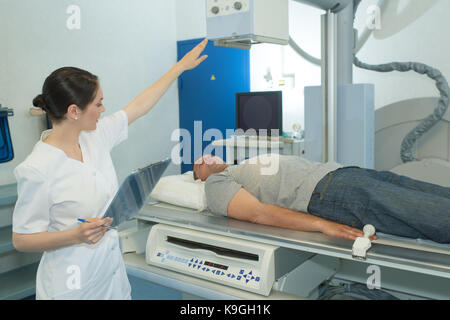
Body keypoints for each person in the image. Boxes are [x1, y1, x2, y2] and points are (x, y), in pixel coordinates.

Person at [12, 39, 208, 300]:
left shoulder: (95, 136)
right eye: (98, 104)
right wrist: (75, 235)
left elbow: (139, 106)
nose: (103, 110)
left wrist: (180, 67)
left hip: (111, 277)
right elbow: (22, 240)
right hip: (70, 287)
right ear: (73, 111)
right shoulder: (37, 168)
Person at [193, 154, 450, 243]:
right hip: (329, 193)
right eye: (199, 164)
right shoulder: (215, 184)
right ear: (199, 178)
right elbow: (259, 213)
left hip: (342, 174)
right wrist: (321, 224)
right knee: (431, 213)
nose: (205, 158)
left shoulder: (240, 167)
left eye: (205, 156)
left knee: (434, 194)